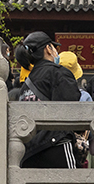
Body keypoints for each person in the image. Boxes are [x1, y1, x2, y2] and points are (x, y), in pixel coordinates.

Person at [14, 30, 83, 168]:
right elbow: (73, 110)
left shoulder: (28, 82)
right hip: (56, 145)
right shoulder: (58, 73)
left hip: (29, 151)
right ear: (48, 48)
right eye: (54, 47)